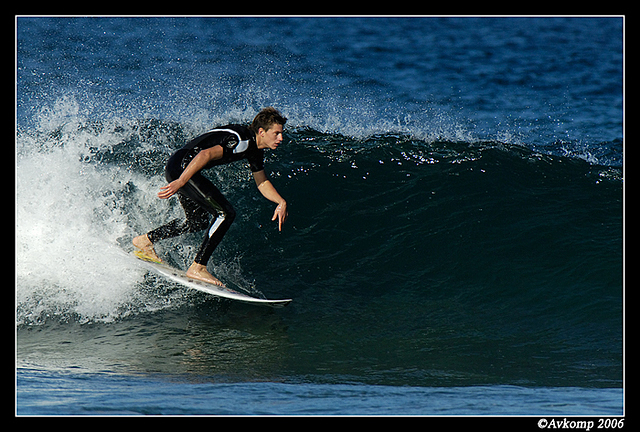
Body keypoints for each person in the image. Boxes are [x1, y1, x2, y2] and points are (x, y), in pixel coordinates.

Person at [133, 107, 288, 287]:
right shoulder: (241, 141)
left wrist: (280, 201)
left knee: (196, 222)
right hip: (183, 169)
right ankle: (198, 267)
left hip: (180, 166)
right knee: (226, 213)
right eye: (276, 133)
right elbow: (205, 154)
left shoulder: (254, 149)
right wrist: (181, 181)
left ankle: (144, 240)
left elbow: (262, 182)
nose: (281, 138)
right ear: (261, 132)